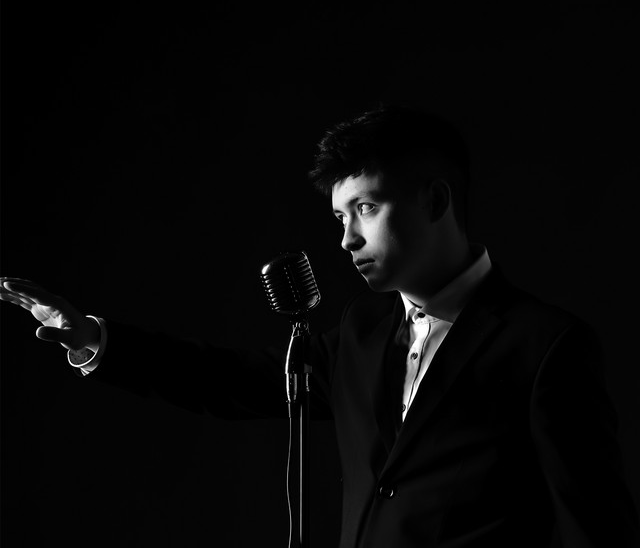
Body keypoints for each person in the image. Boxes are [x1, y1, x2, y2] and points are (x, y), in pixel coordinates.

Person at [1, 105, 638, 547]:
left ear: (437, 200)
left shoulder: (546, 345)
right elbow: (238, 382)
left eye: (366, 207)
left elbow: (597, 529)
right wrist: (92, 339)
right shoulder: (362, 330)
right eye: (339, 216)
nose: (346, 239)